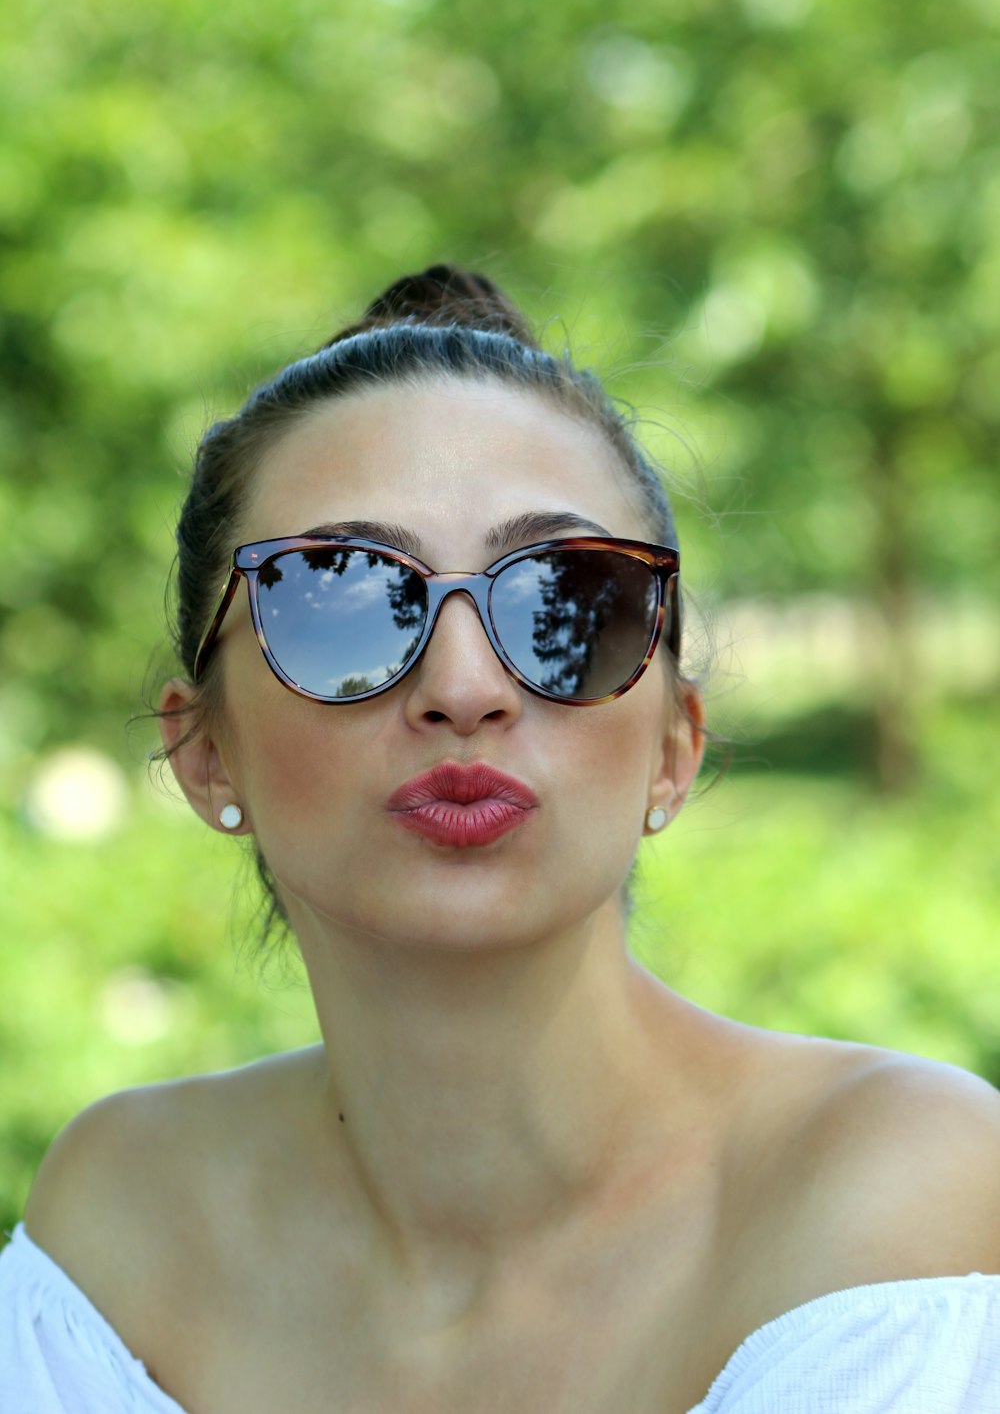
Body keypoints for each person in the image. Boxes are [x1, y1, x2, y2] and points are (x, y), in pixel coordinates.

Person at [1, 265, 998, 1414]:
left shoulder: (890, 1191)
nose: (463, 686)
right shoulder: (123, 1226)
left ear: (672, 746)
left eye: (566, 601)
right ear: (204, 755)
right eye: (343, 598)